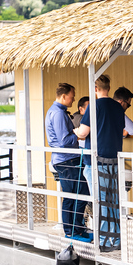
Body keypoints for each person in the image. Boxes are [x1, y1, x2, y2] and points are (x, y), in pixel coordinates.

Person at [74, 75, 126, 251]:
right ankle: (117, 238)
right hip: (115, 159)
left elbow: (83, 133)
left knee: (100, 200)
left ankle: (103, 239)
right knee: (113, 199)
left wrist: (75, 130)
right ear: (109, 88)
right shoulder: (118, 107)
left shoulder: (93, 107)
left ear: (95, 89)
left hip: (97, 160)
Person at [45, 82, 91, 242]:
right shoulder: (58, 113)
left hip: (67, 159)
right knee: (74, 196)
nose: (73, 100)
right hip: (66, 160)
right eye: (71, 97)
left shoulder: (58, 111)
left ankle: (77, 229)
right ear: (64, 96)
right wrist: (77, 133)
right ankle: (72, 232)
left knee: (80, 194)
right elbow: (64, 141)